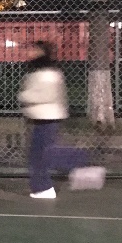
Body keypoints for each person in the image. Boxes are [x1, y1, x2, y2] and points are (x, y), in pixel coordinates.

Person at [19, 40, 106, 199]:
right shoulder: (41, 70)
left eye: (33, 50)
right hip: (42, 117)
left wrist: (24, 96)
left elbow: (47, 95)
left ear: (42, 52)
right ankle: (43, 188)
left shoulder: (47, 73)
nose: (29, 53)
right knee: (40, 154)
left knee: (42, 155)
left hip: (48, 117)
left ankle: (81, 160)